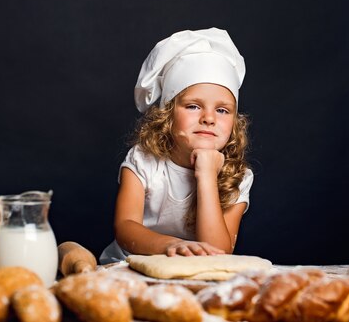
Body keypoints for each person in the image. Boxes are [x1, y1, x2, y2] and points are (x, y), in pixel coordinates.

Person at [100, 27, 253, 263]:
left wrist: (207, 176)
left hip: (197, 274)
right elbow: (125, 227)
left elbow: (218, 251)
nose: (209, 118)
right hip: (131, 266)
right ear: (167, 115)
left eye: (222, 110)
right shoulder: (143, 160)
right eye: (193, 106)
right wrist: (171, 245)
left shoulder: (239, 176)